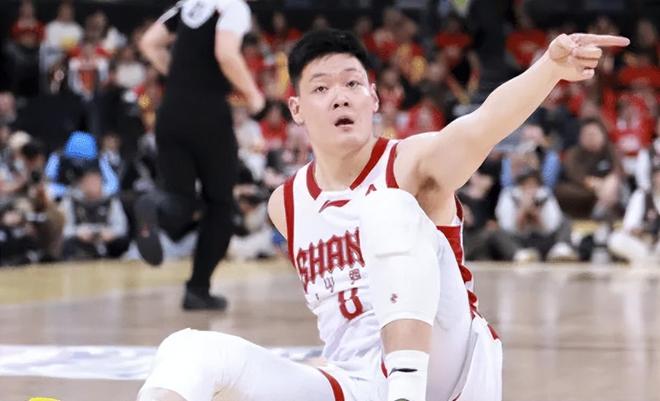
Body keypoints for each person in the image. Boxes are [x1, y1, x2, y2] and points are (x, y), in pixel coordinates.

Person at [138, 29, 628, 401]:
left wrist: (548, 69)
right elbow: (344, 315)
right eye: (321, 88)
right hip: (356, 379)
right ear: (297, 109)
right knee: (189, 349)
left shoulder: (411, 161)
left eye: (353, 83)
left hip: (447, 367)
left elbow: (482, 126)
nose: (340, 95)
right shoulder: (284, 204)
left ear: (373, 98)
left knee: (387, 205)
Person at [136, 0, 265, 310]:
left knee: (179, 200)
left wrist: (181, 77)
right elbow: (226, 53)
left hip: (170, 113)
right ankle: (198, 289)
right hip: (208, 116)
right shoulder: (233, 8)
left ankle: (155, 206)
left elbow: (148, 43)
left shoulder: (187, 5)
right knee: (220, 206)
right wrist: (253, 95)